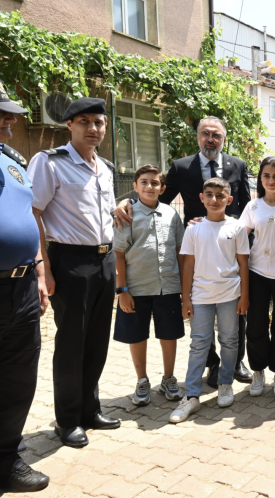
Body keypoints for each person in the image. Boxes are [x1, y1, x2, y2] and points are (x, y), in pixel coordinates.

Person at [113, 116, 253, 386]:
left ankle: (236, 361)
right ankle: (212, 363)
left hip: (229, 244)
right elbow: (156, 197)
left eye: (216, 135)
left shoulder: (237, 164)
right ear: (198, 136)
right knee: (202, 305)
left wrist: (240, 236)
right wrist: (126, 202)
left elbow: (247, 205)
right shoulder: (181, 166)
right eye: (205, 133)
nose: (210, 139)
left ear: (224, 139)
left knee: (234, 304)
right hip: (197, 245)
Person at [28, 97, 121, 448]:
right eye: (85, 122)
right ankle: (66, 420)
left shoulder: (105, 167)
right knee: (71, 343)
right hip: (70, 262)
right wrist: (43, 270)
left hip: (104, 261)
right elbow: (33, 214)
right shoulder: (50, 163)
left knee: (96, 341)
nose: (93, 128)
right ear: (69, 125)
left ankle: (89, 410)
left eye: (99, 122)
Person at [0, 82, 50, 492]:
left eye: (10, 114)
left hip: (21, 288)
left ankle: (6, 458)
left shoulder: (13, 161)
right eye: (1, 114)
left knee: (18, 377)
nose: (10, 120)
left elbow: (27, 215)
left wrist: (38, 270)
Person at [169, 177, 250, 423]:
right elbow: (188, 265)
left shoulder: (237, 228)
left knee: (230, 340)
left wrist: (244, 296)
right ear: (201, 198)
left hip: (230, 295)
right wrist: (186, 299)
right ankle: (191, 395)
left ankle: (225, 383)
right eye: (209, 195)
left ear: (229, 199)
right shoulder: (194, 229)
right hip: (201, 296)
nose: (214, 200)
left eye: (220, 195)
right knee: (199, 344)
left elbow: (243, 264)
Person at [113, 165, 185, 407]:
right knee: (136, 335)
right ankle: (142, 380)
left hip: (169, 287)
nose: (149, 187)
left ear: (162, 188)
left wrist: (184, 290)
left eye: (155, 183)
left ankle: (168, 378)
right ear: (135, 186)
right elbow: (118, 254)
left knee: (169, 333)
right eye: (144, 182)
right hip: (136, 288)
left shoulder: (172, 214)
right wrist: (122, 291)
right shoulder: (127, 214)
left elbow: (179, 251)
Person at [240, 156, 275, 398]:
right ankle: (258, 370)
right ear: (260, 178)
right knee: (257, 324)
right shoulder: (253, 206)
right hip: (258, 272)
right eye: (266, 176)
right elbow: (238, 234)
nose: (271, 180)